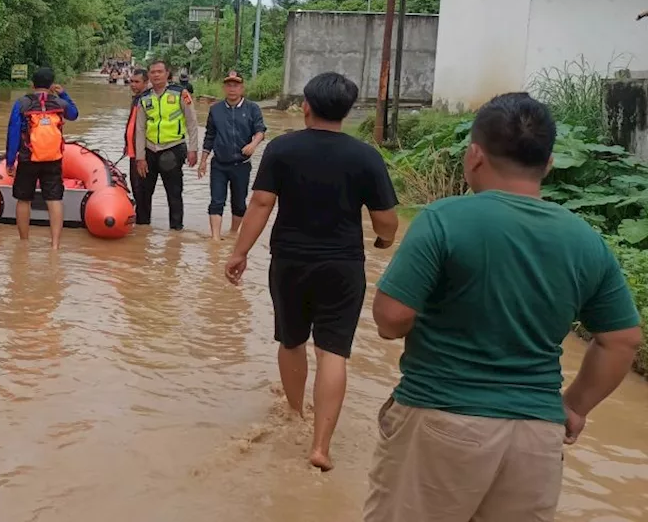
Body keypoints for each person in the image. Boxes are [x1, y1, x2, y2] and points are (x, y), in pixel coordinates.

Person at [365, 93, 642, 521]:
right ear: (548, 164)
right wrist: (574, 406)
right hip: (536, 436)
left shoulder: (444, 219)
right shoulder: (584, 239)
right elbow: (621, 341)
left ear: (474, 155)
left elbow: (391, 318)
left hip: (442, 418)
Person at [225, 71, 398, 471]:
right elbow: (386, 221)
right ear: (348, 111)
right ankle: (321, 446)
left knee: (291, 341)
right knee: (333, 351)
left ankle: (294, 413)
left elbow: (262, 205)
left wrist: (239, 252)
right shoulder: (365, 156)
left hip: (289, 262)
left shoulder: (282, 149)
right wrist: (382, 243)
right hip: (342, 265)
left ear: (306, 107)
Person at [6, 67, 79, 249]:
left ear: (32, 84)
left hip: (28, 158)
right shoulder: (60, 103)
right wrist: (64, 94)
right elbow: (74, 114)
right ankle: (55, 246)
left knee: (24, 200)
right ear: (51, 84)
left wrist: (9, 160)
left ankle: (24, 243)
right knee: (54, 200)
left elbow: (13, 133)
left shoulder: (22, 103)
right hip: (53, 159)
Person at [198, 70, 266, 240]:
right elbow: (210, 136)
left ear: (242, 88)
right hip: (219, 164)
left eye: (236, 85)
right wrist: (203, 160)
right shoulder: (216, 110)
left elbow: (260, 131)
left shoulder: (252, 108)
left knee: (239, 203)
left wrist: (253, 144)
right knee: (216, 201)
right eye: (229, 85)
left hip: (241, 165)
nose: (232, 89)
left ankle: (233, 234)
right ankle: (215, 239)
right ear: (224, 88)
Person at [134, 60, 199, 230]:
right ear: (148, 75)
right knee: (143, 194)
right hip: (149, 150)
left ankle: (176, 232)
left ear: (167, 73)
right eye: (152, 72)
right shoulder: (144, 98)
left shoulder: (181, 93)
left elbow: (192, 122)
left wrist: (193, 149)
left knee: (174, 193)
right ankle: (142, 230)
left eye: (159, 71)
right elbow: (140, 129)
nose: (156, 75)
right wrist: (140, 157)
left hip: (173, 148)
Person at [123, 68, 149, 202]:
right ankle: (141, 221)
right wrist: (127, 143)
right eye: (131, 81)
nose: (132, 85)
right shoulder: (136, 99)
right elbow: (132, 123)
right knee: (136, 187)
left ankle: (143, 219)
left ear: (146, 82)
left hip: (141, 152)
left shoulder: (147, 100)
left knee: (141, 188)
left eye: (136, 82)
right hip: (132, 150)